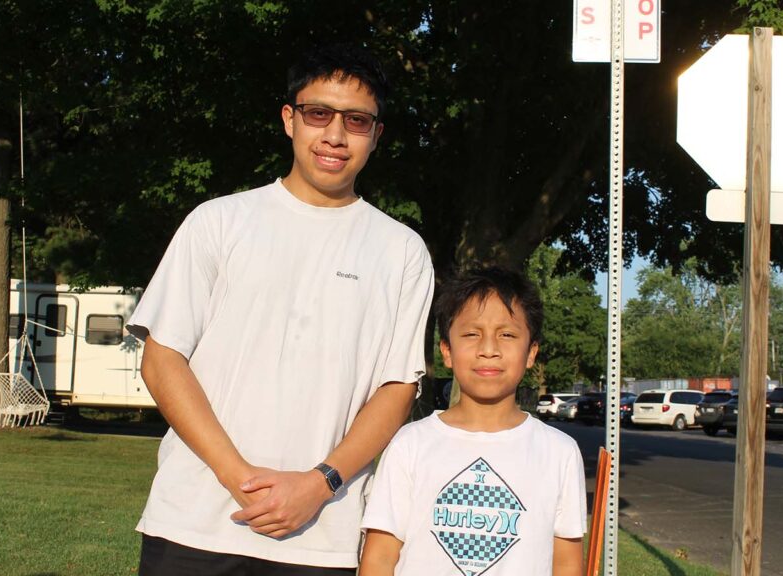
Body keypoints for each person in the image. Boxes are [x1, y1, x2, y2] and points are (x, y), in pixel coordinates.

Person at [127, 44, 434, 575]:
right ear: (289, 119)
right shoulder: (218, 221)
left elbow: (397, 389)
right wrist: (238, 477)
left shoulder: (402, 251)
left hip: (321, 537)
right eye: (319, 113)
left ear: (376, 134)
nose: (335, 136)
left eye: (357, 121)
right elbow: (161, 359)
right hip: (193, 525)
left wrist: (319, 485)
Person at [359, 268, 586, 576]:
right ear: (447, 351)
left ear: (531, 352)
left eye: (506, 334)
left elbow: (567, 562)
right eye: (471, 334)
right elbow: (380, 558)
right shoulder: (409, 444)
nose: (489, 350)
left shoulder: (561, 452)